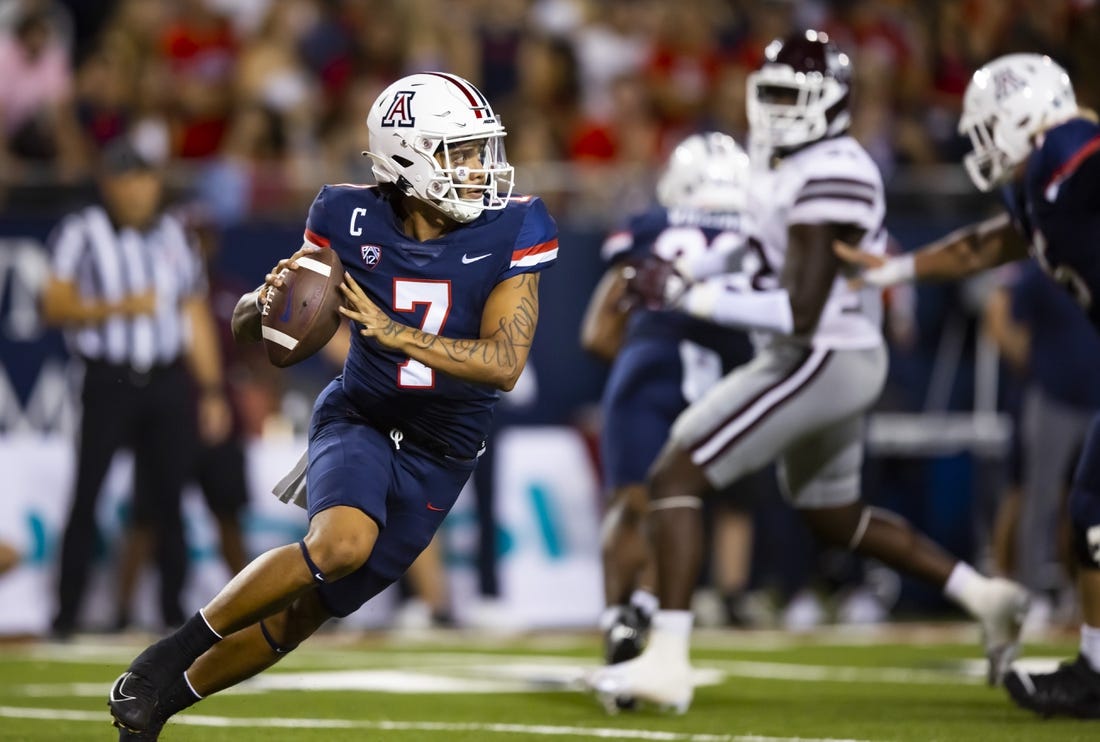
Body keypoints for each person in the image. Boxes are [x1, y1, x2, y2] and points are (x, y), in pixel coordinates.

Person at [586, 30, 1030, 713]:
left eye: (795, 96)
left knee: (676, 473)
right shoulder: (787, 158)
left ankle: (667, 661)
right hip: (825, 352)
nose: (779, 109)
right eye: (772, 94)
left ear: (831, 104)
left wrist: (690, 294)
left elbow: (800, 310)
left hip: (822, 352)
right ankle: (986, 595)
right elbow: (753, 245)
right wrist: (694, 268)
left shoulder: (837, 171)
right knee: (833, 515)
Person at [106, 71, 557, 740]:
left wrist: (393, 332)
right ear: (405, 157)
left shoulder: (515, 224)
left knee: (301, 616)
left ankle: (154, 708)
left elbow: (504, 363)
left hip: (444, 452)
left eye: (476, 150)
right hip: (363, 417)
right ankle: (167, 653)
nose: (475, 168)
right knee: (340, 545)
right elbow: (252, 329)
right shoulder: (346, 215)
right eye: (456, 153)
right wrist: (265, 304)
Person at [835, 52, 1100, 719]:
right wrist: (894, 271)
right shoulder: (1040, 185)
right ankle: (1095, 670)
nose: (982, 142)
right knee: (1089, 513)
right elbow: (980, 247)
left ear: (1026, 112)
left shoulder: (1071, 148)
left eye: (991, 124)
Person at [580, 131, 766, 674]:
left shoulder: (651, 226)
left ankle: (619, 616)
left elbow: (597, 333)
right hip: (729, 377)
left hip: (652, 367)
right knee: (681, 505)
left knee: (631, 505)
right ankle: (653, 617)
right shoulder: (761, 226)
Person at [41, 136, 230, 637]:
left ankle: (172, 613)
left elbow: (194, 314)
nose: (138, 190)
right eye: (127, 179)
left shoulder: (175, 234)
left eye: (145, 178)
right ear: (109, 185)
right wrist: (118, 307)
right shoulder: (81, 232)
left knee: (170, 496)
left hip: (166, 379)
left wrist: (210, 390)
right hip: (109, 379)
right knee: (88, 493)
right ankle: (67, 614)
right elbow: (53, 304)